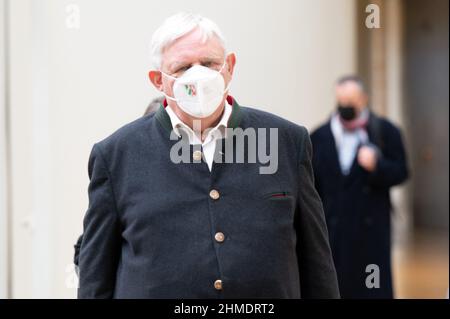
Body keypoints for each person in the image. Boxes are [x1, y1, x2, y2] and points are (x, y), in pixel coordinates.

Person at [77, 12, 339, 299]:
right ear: (158, 81)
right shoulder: (116, 155)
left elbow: (317, 265)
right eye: (183, 67)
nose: (198, 75)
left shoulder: (286, 141)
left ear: (229, 67)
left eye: (210, 63)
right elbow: (95, 278)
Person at [310, 76, 409, 298]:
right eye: (341, 101)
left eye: (351, 101)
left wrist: (377, 165)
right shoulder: (318, 137)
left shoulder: (385, 132)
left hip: (370, 235)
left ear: (363, 100)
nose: (346, 107)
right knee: (334, 288)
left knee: (372, 288)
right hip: (332, 233)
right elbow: (311, 186)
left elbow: (402, 171)